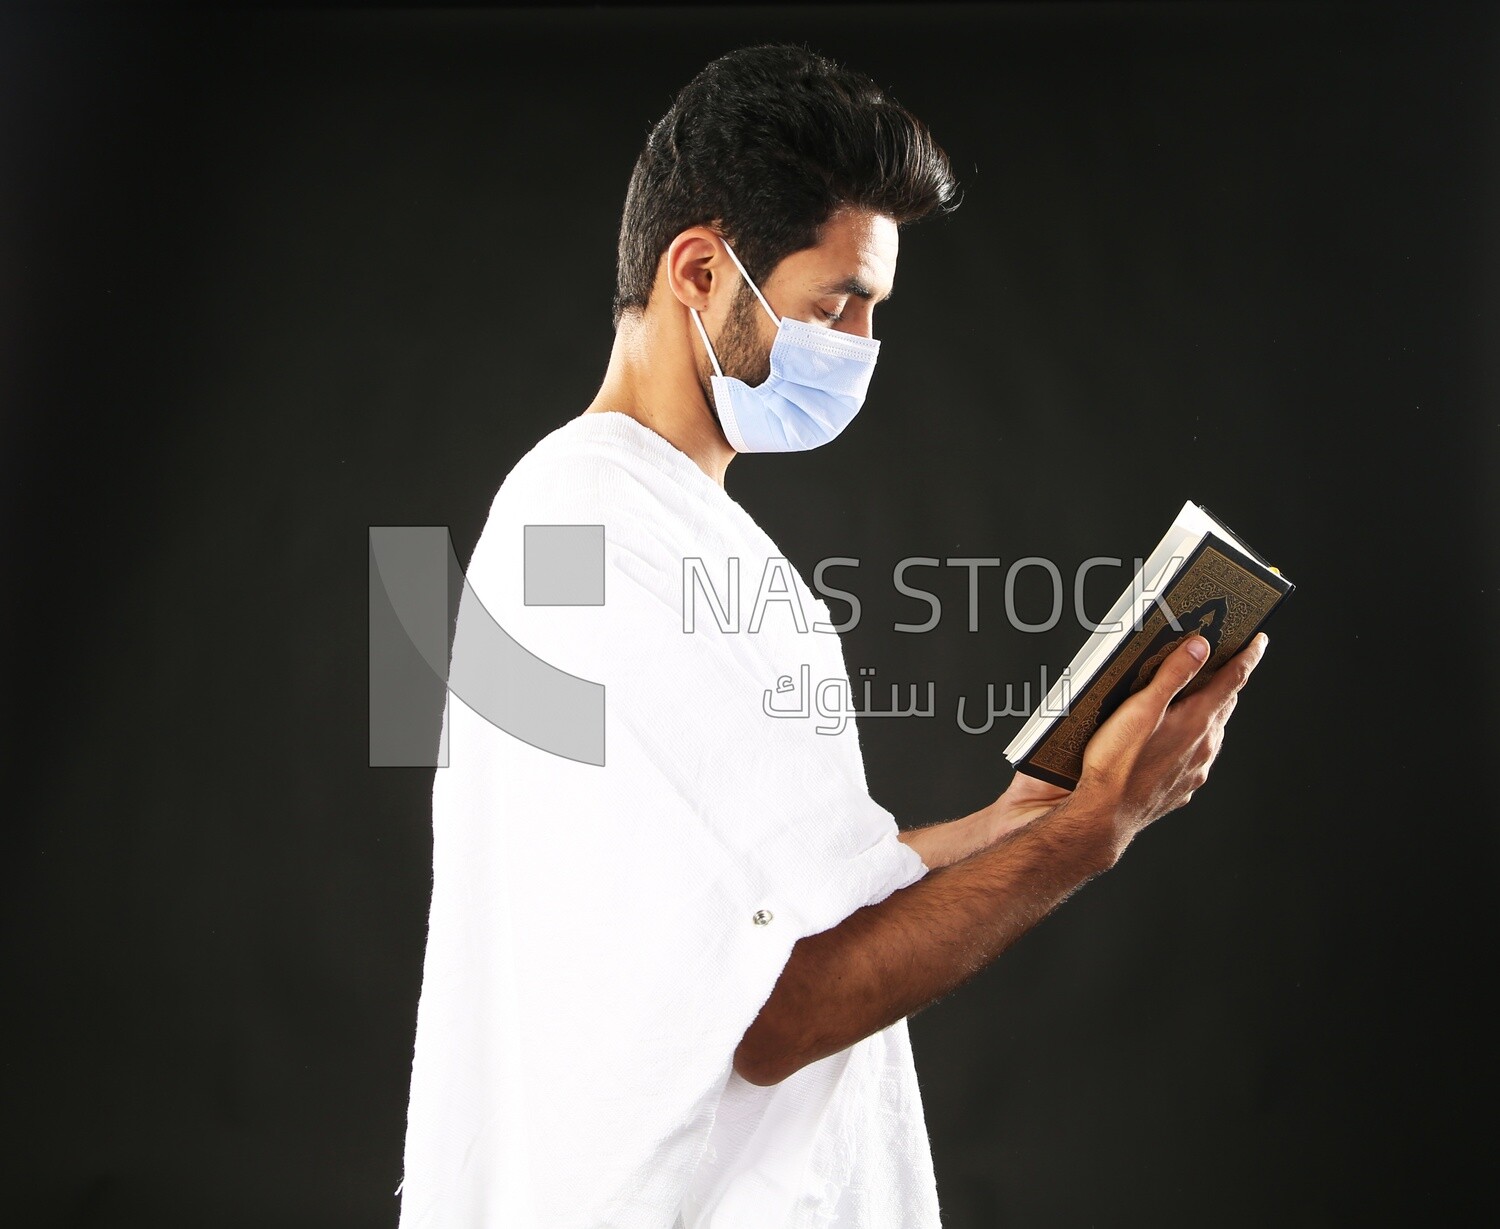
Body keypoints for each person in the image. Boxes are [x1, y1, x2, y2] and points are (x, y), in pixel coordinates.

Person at [397, 43, 1268, 1228]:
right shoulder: (590, 534)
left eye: (875, 310)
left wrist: (1012, 817)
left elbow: (760, 897)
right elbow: (772, 1011)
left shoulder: (655, 525)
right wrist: (1083, 834)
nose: (860, 344)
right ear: (699, 269)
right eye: (835, 301)